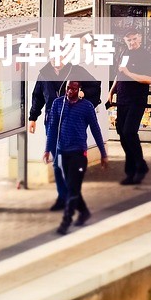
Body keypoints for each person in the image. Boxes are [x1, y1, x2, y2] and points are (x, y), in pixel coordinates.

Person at [29, 62, 101, 211]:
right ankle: (64, 197)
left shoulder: (76, 71)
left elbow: (95, 87)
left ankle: (73, 198)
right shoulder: (44, 73)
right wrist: (33, 117)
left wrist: (84, 94)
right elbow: (37, 96)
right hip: (52, 122)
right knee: (58, 163)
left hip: (72, 121)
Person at [43, 81, 109, 235]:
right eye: (68, 88)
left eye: (73, 89)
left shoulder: (87, 107)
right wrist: (47, 150)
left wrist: (103, 153)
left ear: (79, 90)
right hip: (62, 152)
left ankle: (66, 221)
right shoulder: (58, 104)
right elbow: (52, 128)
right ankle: (84, 211)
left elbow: (95, 129)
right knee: (71, 187)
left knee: (73, 189)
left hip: (79, 154)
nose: (69, 91)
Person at [108, 25, 151, 185]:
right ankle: (131, 171)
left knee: (129, 132)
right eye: (129, 40)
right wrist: (111, 91)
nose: (132, 42)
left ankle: (140, 166)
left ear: (140, 38)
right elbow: (119, 73)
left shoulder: (145, 55)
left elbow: (149, 79)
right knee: (122, 132)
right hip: (122, 98)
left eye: (135, 39)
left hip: (136, 100)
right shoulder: (125, 53)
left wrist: (129, 73)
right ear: (125, 41)